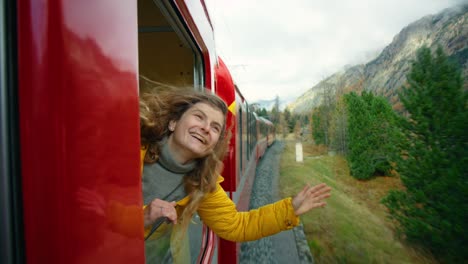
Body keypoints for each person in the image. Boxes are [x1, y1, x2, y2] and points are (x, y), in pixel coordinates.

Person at [139, 87, 331, 263]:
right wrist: (140, 218)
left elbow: (237, 225)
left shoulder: (202, 183)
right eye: (199, 117)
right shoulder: (130, 146)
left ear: (214, 143)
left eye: (215, 128)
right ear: (173, 122)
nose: (206, 128)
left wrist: (291, 209)